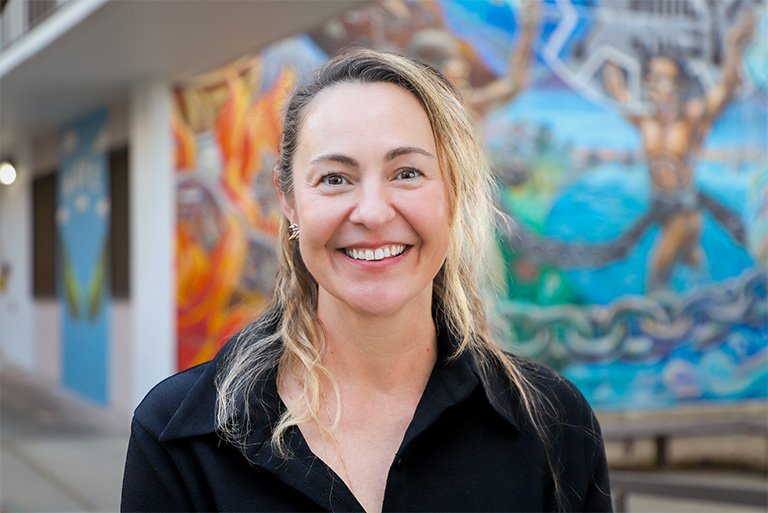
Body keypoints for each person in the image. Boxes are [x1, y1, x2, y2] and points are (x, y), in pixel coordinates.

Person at [121, 48, 612, 513]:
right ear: (289, 201)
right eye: (335, 178)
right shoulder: (177, 437)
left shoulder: (554, 424)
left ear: (453, 192)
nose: (373, 212)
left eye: (407, 173)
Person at [603, 14, 755, 289]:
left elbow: (727, 88)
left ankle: (660, 327)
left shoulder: (691, 121)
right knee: (692, 274)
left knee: (656, 276)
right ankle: (699, 307)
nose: (652, 84)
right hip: (661, 209)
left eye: (662, 78)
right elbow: (617, 89)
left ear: (678, 87)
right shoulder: (645, 122)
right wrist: (610, 40)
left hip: (682, 216)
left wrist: (734, 45)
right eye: (650, 77)